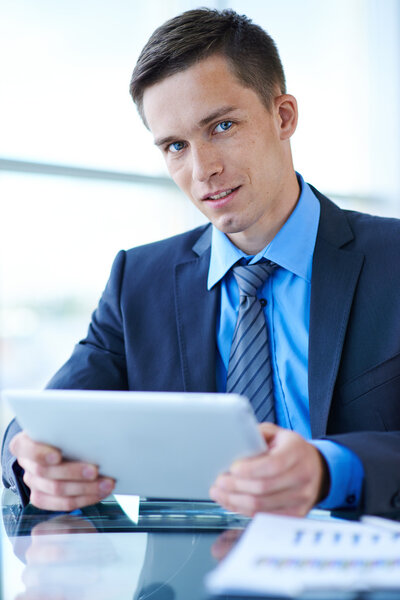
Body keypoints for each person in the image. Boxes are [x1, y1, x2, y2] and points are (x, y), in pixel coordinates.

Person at [3, 8, 400, 517]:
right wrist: (30, 458)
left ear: (283, 116)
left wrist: (332, 468)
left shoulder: (391, 260)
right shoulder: (138, 282)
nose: (202, 169)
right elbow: (47, 422)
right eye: (175, 146)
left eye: (222, 126)